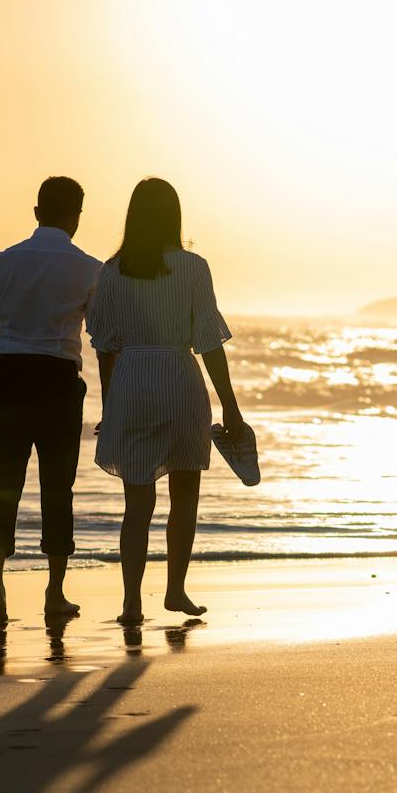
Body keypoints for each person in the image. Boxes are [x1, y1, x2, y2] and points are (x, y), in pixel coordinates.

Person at [88, 177, 248, 625]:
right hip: (179, 379)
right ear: (173, 216)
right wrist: (230, 406)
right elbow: (209, 344)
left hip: (133, 381)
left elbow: (105, 346)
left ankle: (131, 603)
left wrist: (109, 406)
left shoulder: (112, 271)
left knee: (137, 506)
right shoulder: (193, 268)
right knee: (185, 496)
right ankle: (175, 590)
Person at [0, 176, 103, 624]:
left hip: (8, 379)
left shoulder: (0, 262)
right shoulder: (90, 269)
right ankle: (55, 593)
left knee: (3, 489)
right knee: (58, 491)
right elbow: (101, 339)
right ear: (76, 217)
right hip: (59, 384)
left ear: (37, 211)